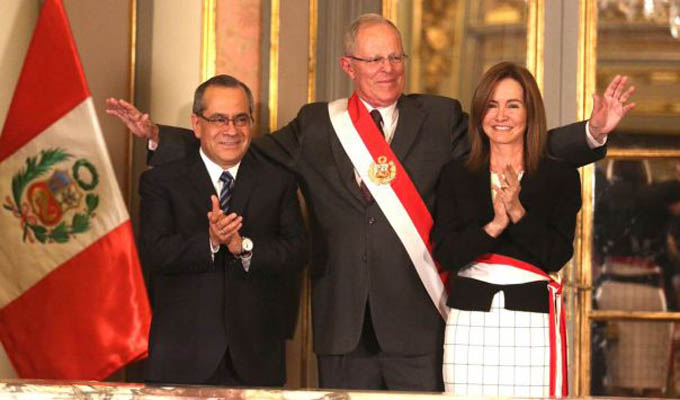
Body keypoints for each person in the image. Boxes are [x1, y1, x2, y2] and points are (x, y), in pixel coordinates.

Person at [108, 13, 634, 392]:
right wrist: (160, 138)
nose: (388, 69)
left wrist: (591, 132)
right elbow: (242, 146)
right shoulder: (317, 125)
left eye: (395, 57)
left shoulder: (438, 117)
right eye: (374, 59)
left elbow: (512, 139)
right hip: (341, 318)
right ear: (348, 65)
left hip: (418, 316)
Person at [139, 74, 307, 386]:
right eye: (219, 119)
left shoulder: (278, 181)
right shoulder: (161, 182)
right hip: (182, 358)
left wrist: (243, 247)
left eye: (241, 119)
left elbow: (297, 252)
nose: (231, 130)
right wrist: (210, 242)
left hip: (256, 359)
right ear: (196, 124)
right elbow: (154, 253)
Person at [431, 62, 580, 397]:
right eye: (492, 105)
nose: (501, 116)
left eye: (512, 105)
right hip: (469, 319)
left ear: (530, 113)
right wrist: (495, 225)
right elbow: (447, 253)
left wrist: (518, 212)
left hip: (532, 318)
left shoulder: (560, 177)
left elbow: (556, 255)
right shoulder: (456, 174)